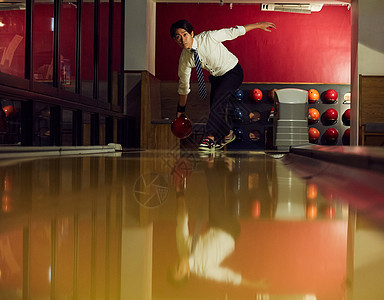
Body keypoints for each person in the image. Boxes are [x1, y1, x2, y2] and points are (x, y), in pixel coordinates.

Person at [170, 19, 276, 152]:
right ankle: (228, 134)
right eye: (178, 37)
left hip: (233, 72)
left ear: (191, 33)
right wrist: (181, 109)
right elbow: (184, 86)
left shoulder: (209, 37)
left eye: (184, 34)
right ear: (175, 40)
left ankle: (209, 138)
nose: (182, 39)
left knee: (217, 105)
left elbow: (234, 32)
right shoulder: (185, 58)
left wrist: (258, 25)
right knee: (215, 109)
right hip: (217, 78)